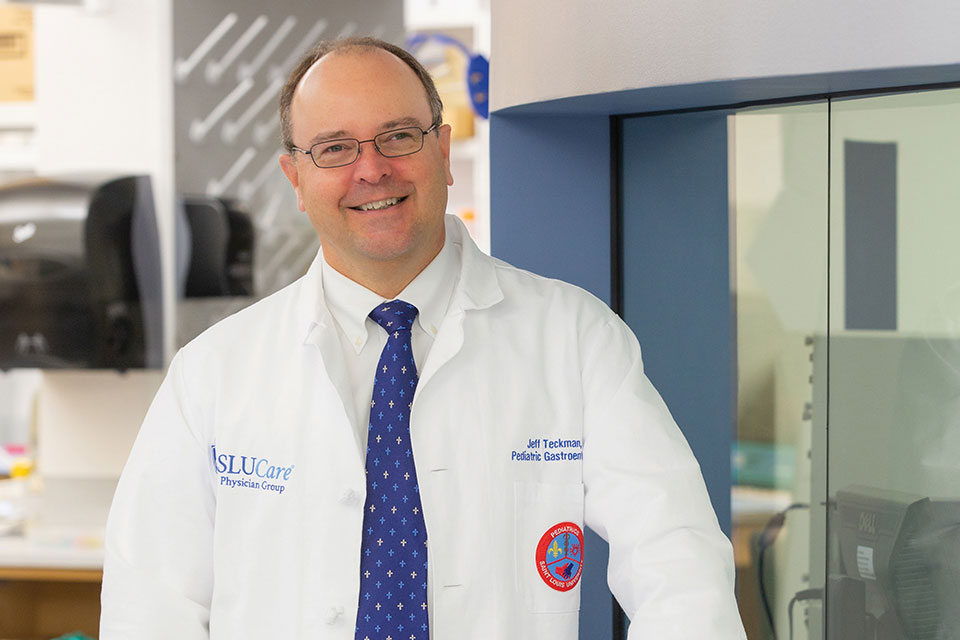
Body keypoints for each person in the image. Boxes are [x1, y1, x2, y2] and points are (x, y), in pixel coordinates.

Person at [100, 37, 746, 640]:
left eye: (398, 137)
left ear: (441, 150)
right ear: (295, 179)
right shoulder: (216, 370)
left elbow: (676, 554)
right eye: (334, 149)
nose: (372, 169)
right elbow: (150, 604)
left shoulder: (573, 337)